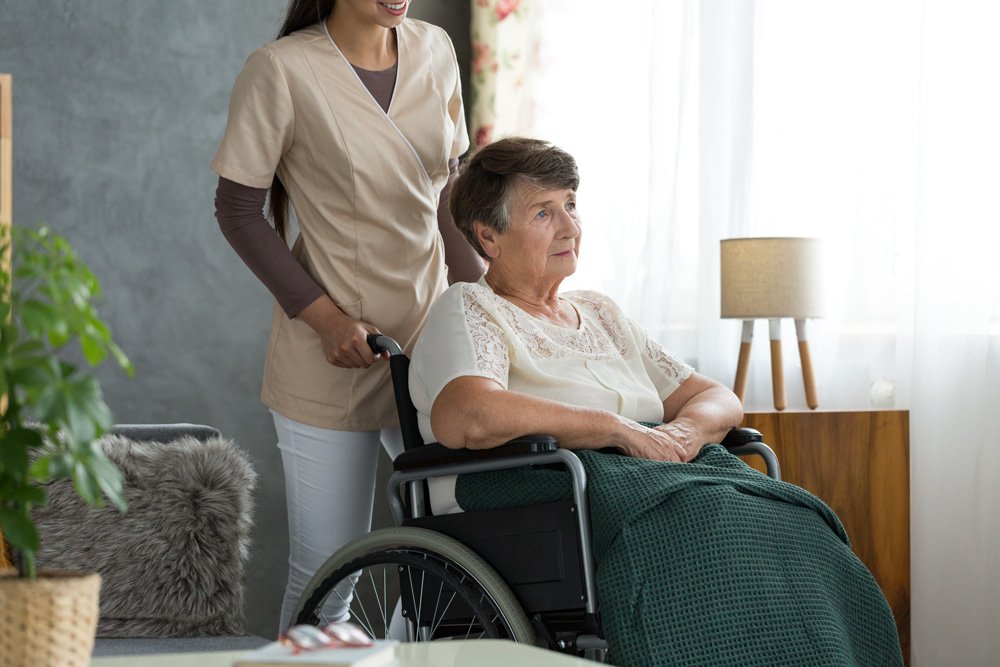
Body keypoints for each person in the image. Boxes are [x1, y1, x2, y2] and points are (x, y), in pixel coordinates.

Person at [408, 137, 904, 666]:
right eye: (543, 213)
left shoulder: (600, 313)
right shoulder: (472, 308)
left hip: (650, 476)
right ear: (489, 235)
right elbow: (469, 416)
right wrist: (617, 429)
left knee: (794, 522)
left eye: (571, 206)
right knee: (707, 521)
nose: (571, 227)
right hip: (546, 487)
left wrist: (688, 432)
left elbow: (716, 397)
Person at [210, 0, 484, 632]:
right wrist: (326, 319)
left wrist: (485, 302)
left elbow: (448, 194)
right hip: (331, 355)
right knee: (329, 571)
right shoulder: (281, 69)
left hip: (430, 345)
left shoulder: (435, 49)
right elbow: (237, 210)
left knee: (458, 554)